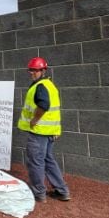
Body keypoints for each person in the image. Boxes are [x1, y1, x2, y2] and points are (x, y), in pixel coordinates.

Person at [17, 57, 71, 203]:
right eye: (31, 70)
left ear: (43, 70)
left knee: (35, 161)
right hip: (49, 132)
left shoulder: (40, 86)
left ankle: (38, 193)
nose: (32, 73)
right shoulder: (49, 85)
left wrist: (34, 120)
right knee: (48, 160)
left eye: (35, 70)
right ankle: (62, 191)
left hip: (39, 132)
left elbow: (44, 105)